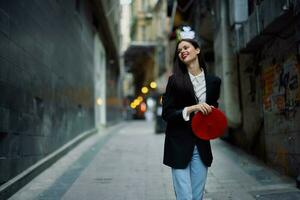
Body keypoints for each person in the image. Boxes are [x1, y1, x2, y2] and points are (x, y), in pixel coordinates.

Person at [162, 26, 221, 200]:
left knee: (197, 196)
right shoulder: (174, 81)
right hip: (178, 143)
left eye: (186, 47)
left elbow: (213, 111)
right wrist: (192, 108)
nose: (182, 51)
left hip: (201, 145)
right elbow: (167, 113)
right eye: (179, 50)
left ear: (197, 49)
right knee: (185, 197)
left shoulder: (214, 82)